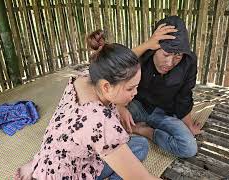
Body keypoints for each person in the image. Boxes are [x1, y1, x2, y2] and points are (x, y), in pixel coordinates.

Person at [14, 30, 160, 180]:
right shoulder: (102, 123)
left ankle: (36, 166)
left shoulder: (84, 77)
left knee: (139, 144)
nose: (135, 93)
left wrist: (120, 107)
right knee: (136, 151)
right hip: (70, 174)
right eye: (130, 88)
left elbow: (120, 66)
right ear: (106, 87)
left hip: (52, 163)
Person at [118, 16, 201, 158]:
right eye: (166, 54)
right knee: (106, 122)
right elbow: (114, 66)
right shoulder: (142, 55)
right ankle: (136, 125)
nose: (170, 63)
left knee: (189, 148)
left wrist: (189, 126)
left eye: (177, 56)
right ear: (155, 48)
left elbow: (185, 96)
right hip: (137, 106)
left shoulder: (188, 62)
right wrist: (119, 107)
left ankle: (145, 131)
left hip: (165, 113)